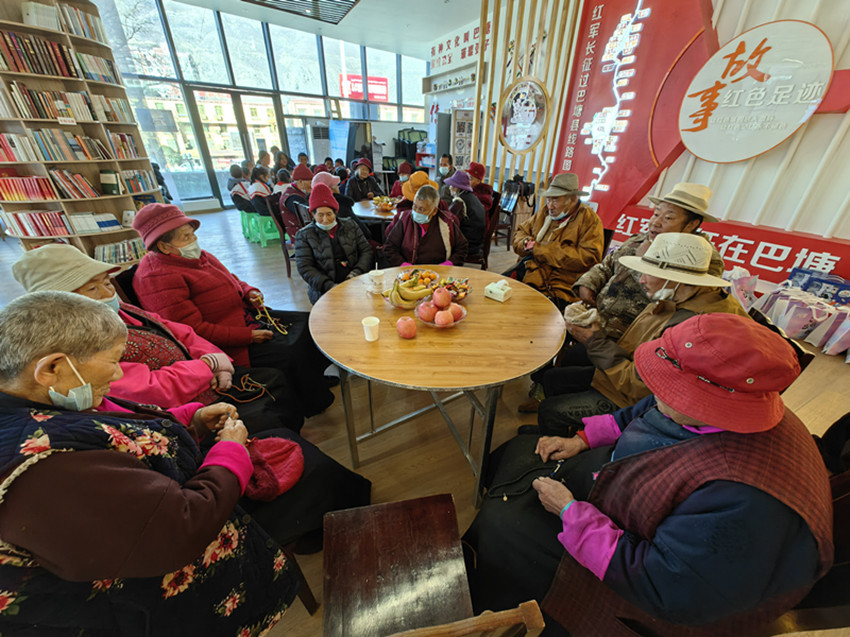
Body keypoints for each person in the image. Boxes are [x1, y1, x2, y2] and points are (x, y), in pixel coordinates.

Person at [0, 292, 373, 634]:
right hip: (175, 582)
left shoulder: (45, 404)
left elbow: (118, 428)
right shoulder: (45, 470)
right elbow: (182, 527)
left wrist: (189, 420)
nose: (118, 374)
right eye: (113, 362)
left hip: (181, 489)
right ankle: (342, 539)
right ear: (51, 368)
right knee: (318, 471)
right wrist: (230, 451)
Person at [464, 313, 833, 636]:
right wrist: (582, 438)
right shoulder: (729, 404)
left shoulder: (745, 500)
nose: (657, 394)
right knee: (517, 456)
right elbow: (643, 411)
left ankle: (493, 608)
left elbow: (667, 586)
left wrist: (570, 514)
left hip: (638, 582)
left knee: (503, 526)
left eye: (671, 390)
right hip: (624, 504)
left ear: (714, 404)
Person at [11, 244, 305, 433]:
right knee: (269, 404)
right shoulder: (77, 353)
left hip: (206, 378)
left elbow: (179, 330)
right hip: (183, 404)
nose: (107, 293)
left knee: (276, 379)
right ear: (58, 300)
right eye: (91, 289)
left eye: (106, 283)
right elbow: (151, 390)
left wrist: (217, 360)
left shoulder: (122, 309)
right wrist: (207, 367)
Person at [131, 203, 336, 419]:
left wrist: (248, 292)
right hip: (228, 341)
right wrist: (248, 336)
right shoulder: (156, 278)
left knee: (308, 323)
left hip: (243, 316)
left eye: (192, 234)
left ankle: (315, 381)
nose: (194, 240)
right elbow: (193, 331)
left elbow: (232, 280)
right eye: (186, 237)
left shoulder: (198, 256)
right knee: (290, 350)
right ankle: (310, 399)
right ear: (163, 246)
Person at [535, 233, 749, 431]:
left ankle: (570, 448)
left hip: (640, 402)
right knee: (554, 378)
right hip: (625, 375)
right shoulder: (679, 295)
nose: (641, 280)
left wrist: (594, 340)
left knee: (550, 410)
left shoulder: (692, 329)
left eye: (649, 273)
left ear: (676, 278)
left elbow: (639, 386)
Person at [574, 182, 724, 340]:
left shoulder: (703, 259)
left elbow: (676, 304)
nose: (655, 223)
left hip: (630, 336)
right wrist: (588, 283)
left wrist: (643, 261)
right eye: (656, 214)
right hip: (596, 317)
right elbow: (607, 265)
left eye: (668, 218)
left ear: (691, 225)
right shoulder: (640, 239)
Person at [509, 172, 604, 308]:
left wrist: (540, 249)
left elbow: (589, 257)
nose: (550, 206)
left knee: (522, 310)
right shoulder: (544, 213)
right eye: (548, 199)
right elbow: (520, 231)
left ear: (572, 199)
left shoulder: (589, 219)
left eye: (555, 200)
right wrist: (525, 242)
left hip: (559, 287)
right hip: (528, 273)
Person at [295, 184, 374, 304]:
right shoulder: (304, 235)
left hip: (355, 282)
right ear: (313, 214)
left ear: (335, 213)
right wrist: (329, 286)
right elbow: (305, 267)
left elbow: (366, 250)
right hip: (323, 290)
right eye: (320, 215)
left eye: (329, 214)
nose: (325, 220)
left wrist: (356, 273)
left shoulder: (350, 225)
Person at [383, 185, 468, 266]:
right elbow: (390, 247)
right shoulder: (405, 219)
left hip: (439, 271)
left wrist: (448, 264)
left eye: (422, 209)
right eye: (414, 206)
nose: (416, 212)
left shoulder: (446, 222)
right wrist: (403, 265)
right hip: (408, 272)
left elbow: (462, 247)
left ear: (434, 211)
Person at [313, 170, 372, 241]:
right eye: (337, 186)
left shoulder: (315, 208)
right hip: (352, 243)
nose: (339, 187)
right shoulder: (341, 205)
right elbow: (365, 233)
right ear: (330, 190)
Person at [445, 169, 486, 257]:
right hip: (476, 243)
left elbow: (449, 223)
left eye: (451, 185)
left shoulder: (459, 202)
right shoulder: (473, 198)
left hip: (468, 245)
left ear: (456, 187)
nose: (449, 188)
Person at [279, 164, 313, 239]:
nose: (311, 185)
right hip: (299, 234)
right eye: (310, 182)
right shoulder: (292, 197)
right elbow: (307, 214)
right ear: (300, 182)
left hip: (303, 229)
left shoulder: (294, 192)